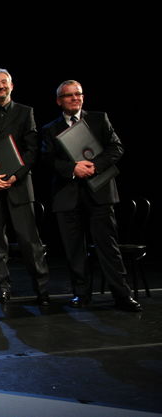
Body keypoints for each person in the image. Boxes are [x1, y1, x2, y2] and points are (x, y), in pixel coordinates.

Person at [40, 80, 142, 312]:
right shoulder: (50, 129)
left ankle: (122, 295)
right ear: (59, 101)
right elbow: (46, 159)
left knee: (108, 246)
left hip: (100, 192)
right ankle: (81, 295)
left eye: (79, 94)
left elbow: (116, 148)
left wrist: (94, 166)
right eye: (69, 95)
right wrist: (72, 169)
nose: (75, 98)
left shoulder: (98, 119)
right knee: (74, 249)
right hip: (67, 194)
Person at [0, 69, 50, 305]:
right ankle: (2, 288)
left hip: (19, 186)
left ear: (12, 86)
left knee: (29, 240)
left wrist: (16, 175)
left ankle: (41, 289)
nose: (0, 86)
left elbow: (32, 148)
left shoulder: (26, 112)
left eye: (4, 82)